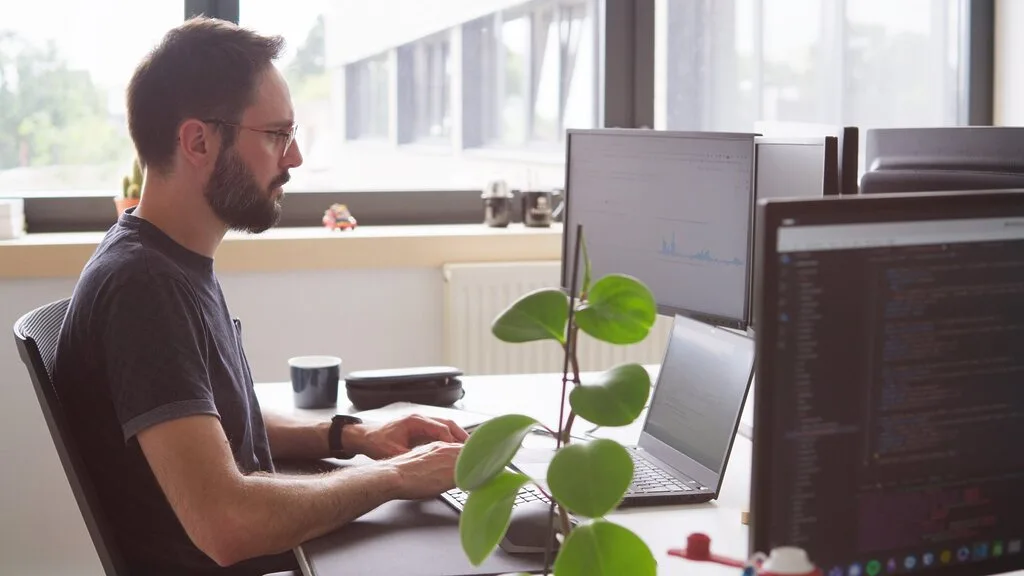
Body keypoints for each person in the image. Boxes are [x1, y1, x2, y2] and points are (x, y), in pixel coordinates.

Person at [51, 16, 466, 576]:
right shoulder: (143, 287)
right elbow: (228, 523)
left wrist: (355, 437)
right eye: (276, 134)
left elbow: (212, 426)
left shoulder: (168, 262)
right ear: (198, 141)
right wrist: (394, 477)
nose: (293, 158)